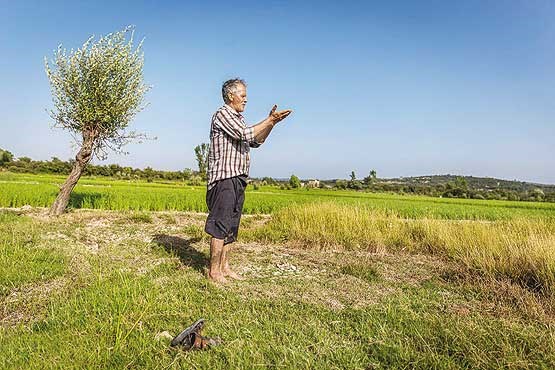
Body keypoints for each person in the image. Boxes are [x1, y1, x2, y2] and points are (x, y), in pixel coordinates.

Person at [204, 78, 292, 283]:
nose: (246, 99)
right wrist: (268, 120)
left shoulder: (239, 118)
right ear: (230, 96)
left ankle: (224, 268)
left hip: (239, 178)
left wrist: (272, 123)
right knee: (220, 225)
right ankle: (213, 272)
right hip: (224, 177)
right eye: (243, 95)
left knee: (231, 226)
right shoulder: (222, 114)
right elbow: (245, 134)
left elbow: (256, 141)